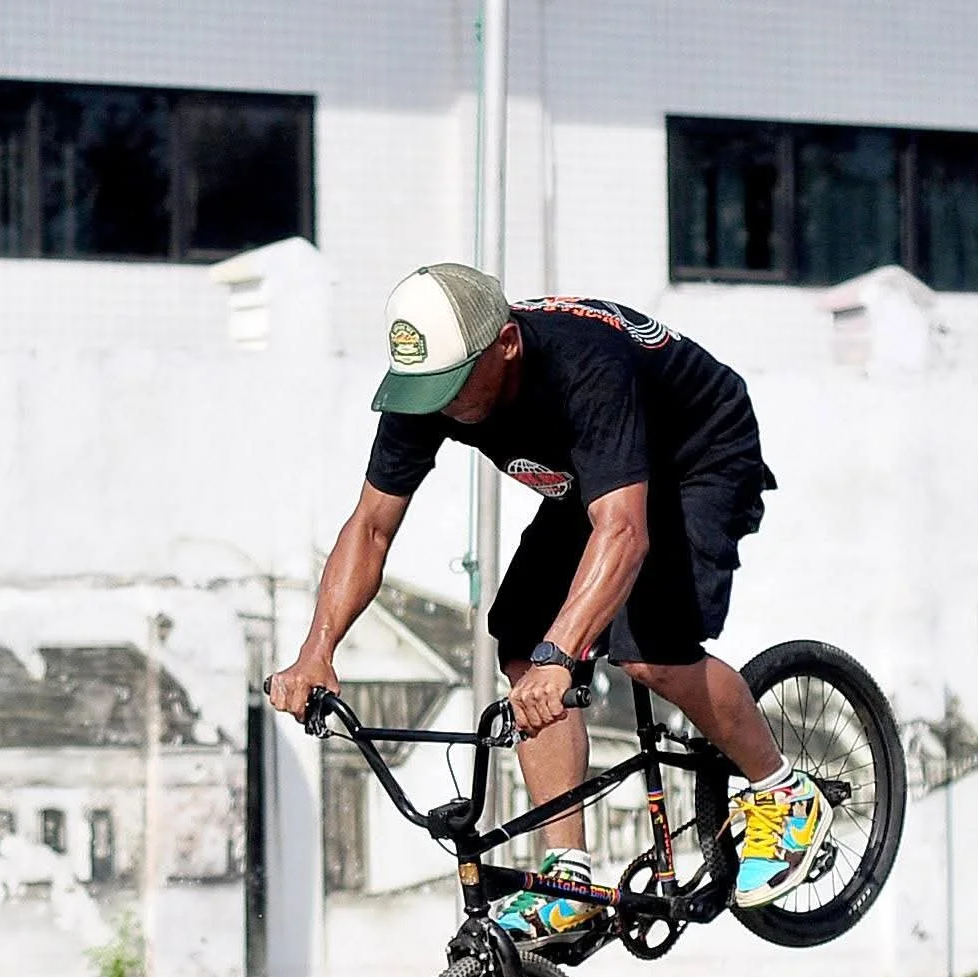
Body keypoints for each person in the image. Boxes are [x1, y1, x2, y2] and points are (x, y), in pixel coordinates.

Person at [268, 262, 832, 941]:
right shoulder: (427, 389)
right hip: (593, 478)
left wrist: (562, 657)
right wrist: (315, 652)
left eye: (452, 388)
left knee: (650, 650)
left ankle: (783, 792)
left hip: (697, 456)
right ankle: (571, 874)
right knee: (518, 637)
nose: (441, 406)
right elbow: (370, 526)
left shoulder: (584, 367)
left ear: (505, 345)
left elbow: (623, 531)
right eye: (426, 392)